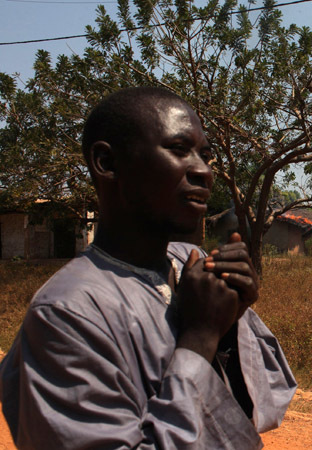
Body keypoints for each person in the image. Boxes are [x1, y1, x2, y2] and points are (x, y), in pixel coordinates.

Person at [0, 87, 296, 449]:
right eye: (178, 149)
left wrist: (229, 324)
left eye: (205, 155)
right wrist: (200, 337)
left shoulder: (190, 263)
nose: (204, 171)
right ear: (107, 163)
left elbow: (262, 411)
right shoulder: (67, 315)